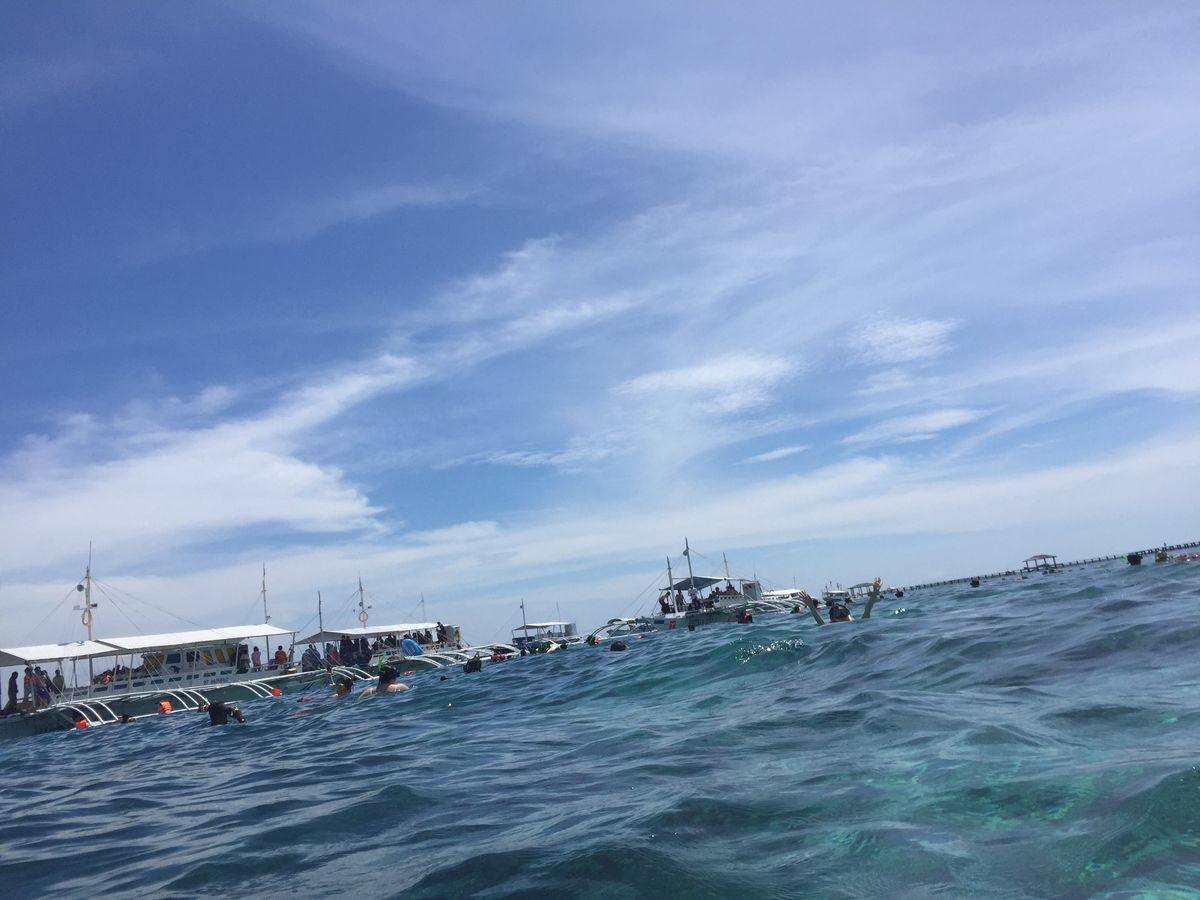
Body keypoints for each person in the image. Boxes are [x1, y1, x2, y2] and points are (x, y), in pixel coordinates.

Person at [799, 578, 883, 625]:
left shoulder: (857, 623)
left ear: (849, 614)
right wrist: (811, 606)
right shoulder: (831, 627)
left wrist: (875, 594)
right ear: (832, 619)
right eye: (837, 613)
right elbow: (820, 622)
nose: (842, 615)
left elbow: (867, 610)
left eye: (844, 612)